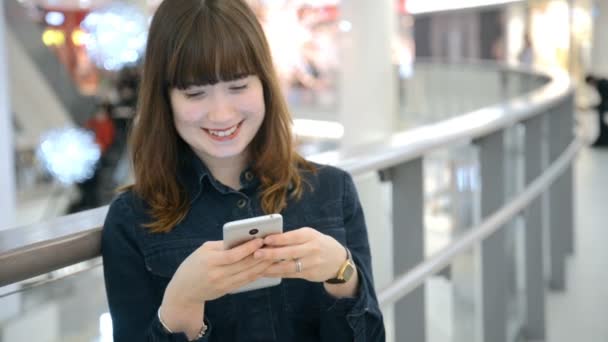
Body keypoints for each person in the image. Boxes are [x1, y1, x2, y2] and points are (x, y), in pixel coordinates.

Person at [101, 0, 385, 341]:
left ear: (264, 84)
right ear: (165, 99)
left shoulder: (332, 190)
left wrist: (343, 274)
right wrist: (183, 301)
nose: (221, 115)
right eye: (195, 93)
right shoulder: (132, 219)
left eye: (238, 87)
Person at [584, 74, 608, 147]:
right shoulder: (601, 83)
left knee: (603, 122)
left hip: (604, 106)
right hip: (604, 106)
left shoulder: (602, 84)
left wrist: (594, 107)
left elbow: (605, 99)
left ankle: (603, 140)